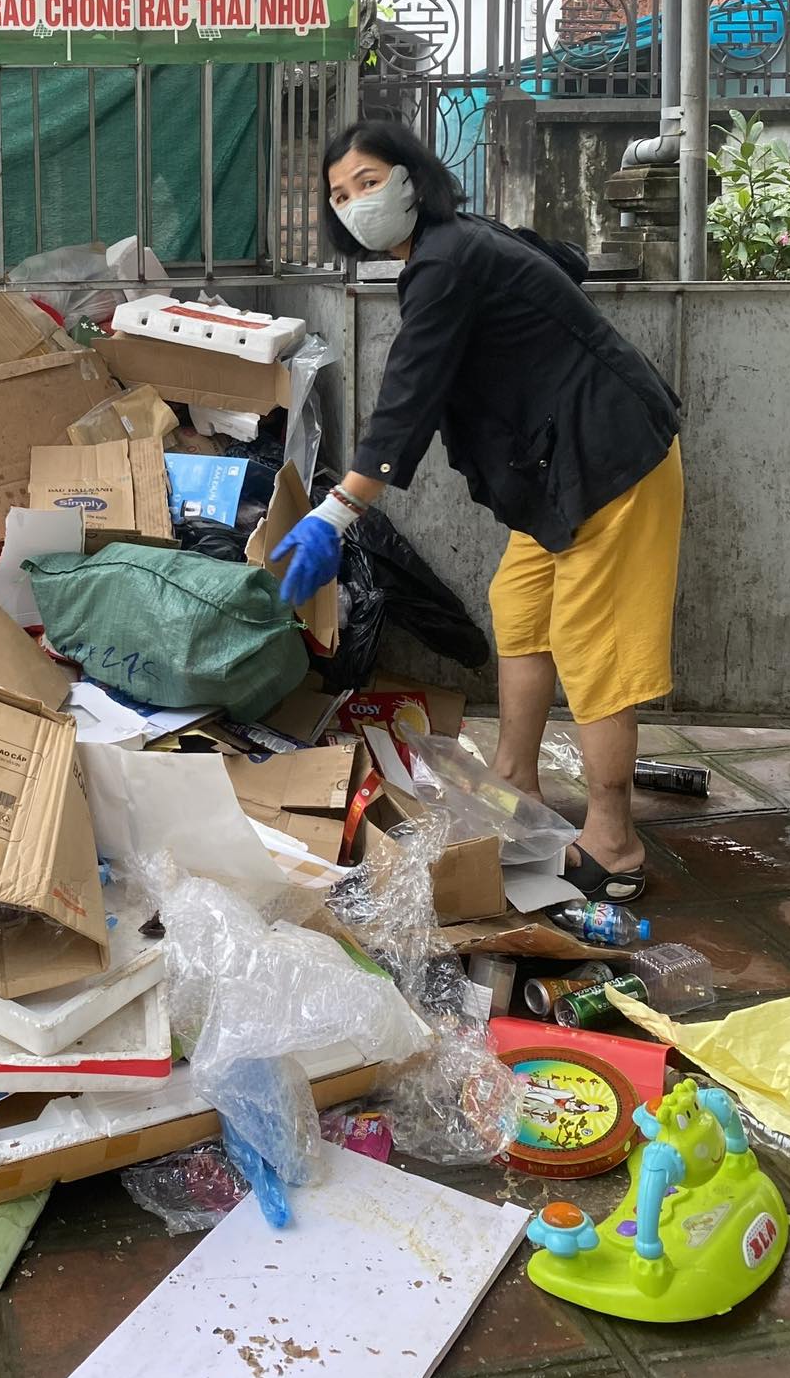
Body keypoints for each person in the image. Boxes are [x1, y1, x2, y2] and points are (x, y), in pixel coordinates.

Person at [274, 119, 682, 902]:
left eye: (367, 181)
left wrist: (337, 513)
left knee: (594, 650)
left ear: (410, 180)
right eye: (338, 194)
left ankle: (614, 845)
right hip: (558, 469)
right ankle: (516, 780)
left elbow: (408, 396)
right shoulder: (457, 245)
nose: (355, 202)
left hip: (608, 463)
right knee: (520, 607)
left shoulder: (447, 260)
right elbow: (558, 262)